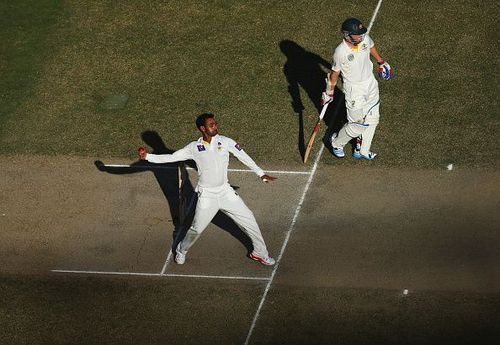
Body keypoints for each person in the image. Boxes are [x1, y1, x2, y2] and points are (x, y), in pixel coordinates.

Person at [138, 112, 277, 266]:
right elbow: (173, 157)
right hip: (207, 197)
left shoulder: (225, 141)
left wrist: (261, 174)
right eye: (211, 125)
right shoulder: (194, 147)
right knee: (196, 230)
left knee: (250, 219)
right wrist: (148, 157)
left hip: (226, 192)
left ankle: (260, 252)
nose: (215, 126)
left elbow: (244, 156)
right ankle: (181, 250)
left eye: (215, 123)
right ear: (202, 128)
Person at [322, 17, 393, 160]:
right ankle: (336, 142)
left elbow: (371, 46)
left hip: (370, 84)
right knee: (356, 125)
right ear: (347, 35)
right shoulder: (340, 52)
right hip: (354, 90)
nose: (361, 36)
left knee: (373, 118)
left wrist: (381, 62)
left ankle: (362, 149)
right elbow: (335, 73)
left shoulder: (364, 39)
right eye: (357, 34)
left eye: (362, 33)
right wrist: (329, 92)